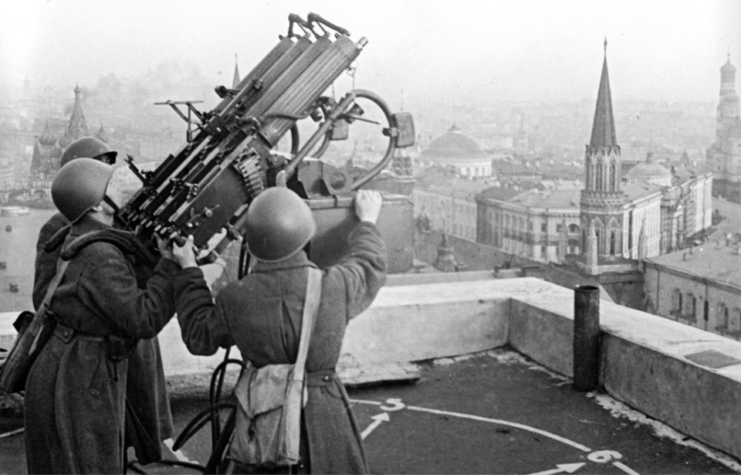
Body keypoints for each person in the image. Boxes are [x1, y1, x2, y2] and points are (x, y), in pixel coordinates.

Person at [171, 187, 387, 474]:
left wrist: (188, 270)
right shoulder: (335, 285)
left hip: (264, 420)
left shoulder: (235, 298)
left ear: (253, 244)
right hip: (324, 417)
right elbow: (370, 263)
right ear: (305, 233)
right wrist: (368, 221)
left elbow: (199, 336)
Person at [24, 158, 201, 474]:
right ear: (95, 204)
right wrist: (174, 267)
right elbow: (142, 319)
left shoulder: (88, 236)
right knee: (90, 463)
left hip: (76, 364)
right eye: (110, 184)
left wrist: (158, 258)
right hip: (81, 373)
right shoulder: (99, 256)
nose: (119, 187)